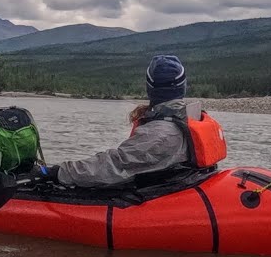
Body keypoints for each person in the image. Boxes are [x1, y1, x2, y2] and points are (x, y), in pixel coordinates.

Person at [33, 54, 226, 188]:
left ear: (150, 87)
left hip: (159, 196)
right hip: (178, 183)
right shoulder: (194, 118)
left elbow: (115, 165)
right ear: (183, 86)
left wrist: (58, 172)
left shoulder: (160, 134)